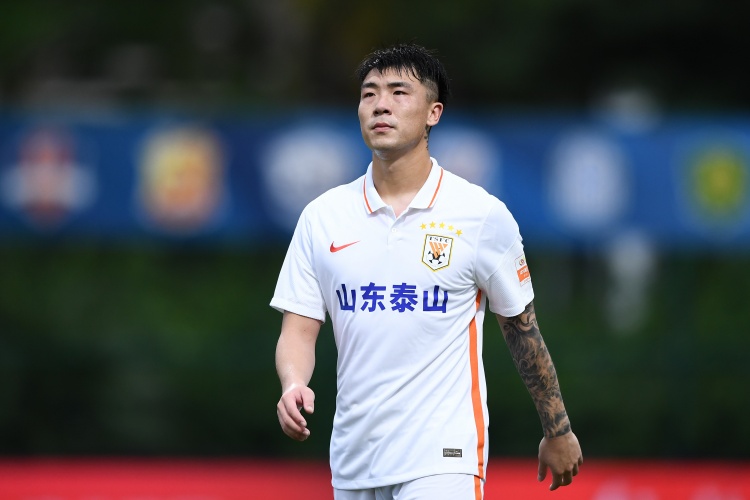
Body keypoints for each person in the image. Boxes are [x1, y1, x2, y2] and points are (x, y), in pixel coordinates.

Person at [271, 43, 582, 500]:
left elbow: (522, 329)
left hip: (443, 458)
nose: (380, 105)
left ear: (434, 113)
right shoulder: (323, 217)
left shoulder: (479, 215)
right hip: (354, 461)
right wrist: (293, 383)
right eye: (369, 93)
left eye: (399, 92)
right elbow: (299, 329)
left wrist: (558, 429)